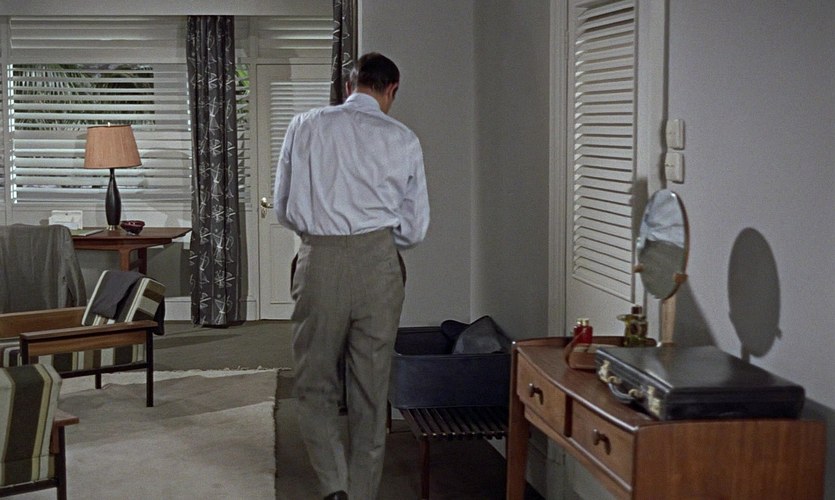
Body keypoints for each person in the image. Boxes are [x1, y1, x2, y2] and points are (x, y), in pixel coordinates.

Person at [272, 52, 430, 500]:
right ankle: (362, 492)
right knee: (371, 387)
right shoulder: (403, 139)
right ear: (391, 90)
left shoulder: (304, 126)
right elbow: (415, 228)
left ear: (349, 86)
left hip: (320, 259)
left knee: (314, 378)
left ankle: (334, 487)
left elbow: (284, 207)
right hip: (379, 263)